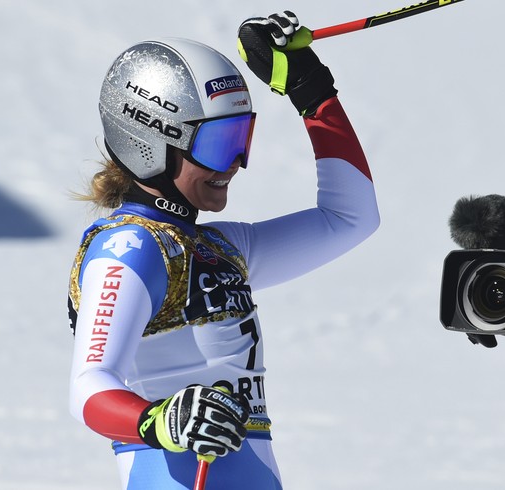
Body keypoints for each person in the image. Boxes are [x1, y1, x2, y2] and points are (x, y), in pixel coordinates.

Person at [67, 11, 379, 489]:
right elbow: (90, 387)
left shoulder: (220, 246)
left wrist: (312, 92)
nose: (234, 164)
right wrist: (159, 421)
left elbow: (351, 217)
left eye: (241, 139)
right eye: (218, 143)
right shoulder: (129, 248)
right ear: (150, 143)